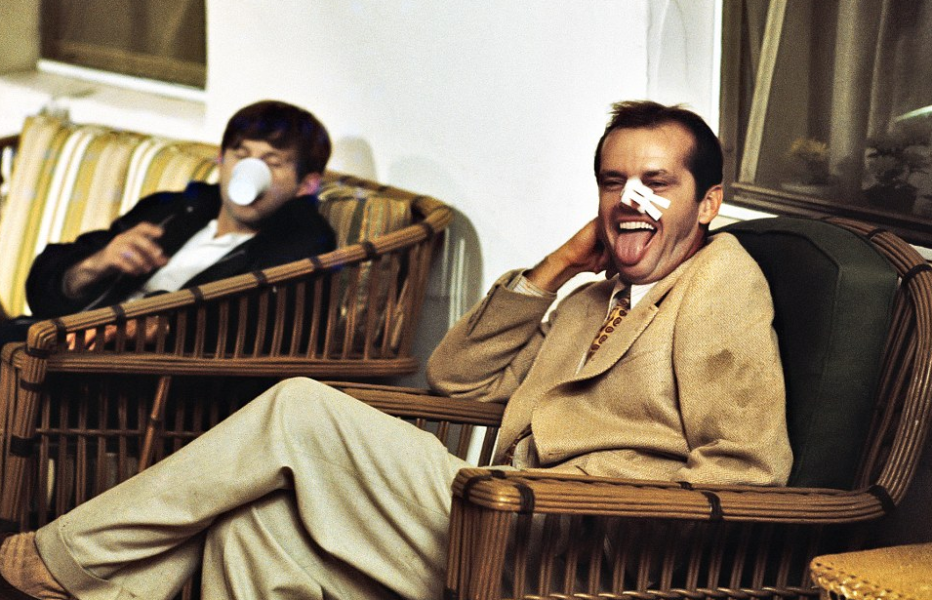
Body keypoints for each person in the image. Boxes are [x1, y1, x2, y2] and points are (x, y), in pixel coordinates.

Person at [0, 100, 792, 600]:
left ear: (708, 203)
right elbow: (456, 379)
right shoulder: (592, 297)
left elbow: (748, 474)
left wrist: (595, 515)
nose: (629, 199)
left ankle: (56, 561)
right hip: (494, 520)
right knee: (256, 530)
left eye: (657, 182)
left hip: (573, 545)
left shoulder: (719, 282)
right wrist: (555, 268)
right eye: (613, 182)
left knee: (300, 408)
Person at [0, 100, 337, 347]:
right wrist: (94, 264)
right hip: (53, 343)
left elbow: (260, 326)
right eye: (241, 155)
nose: (248, 172)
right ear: (221, 161)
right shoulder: (174, 210)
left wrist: (161, 325)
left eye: (272, 163)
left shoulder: (302, 243)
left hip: (136, 382)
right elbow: (43, 287)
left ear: (306, 185)